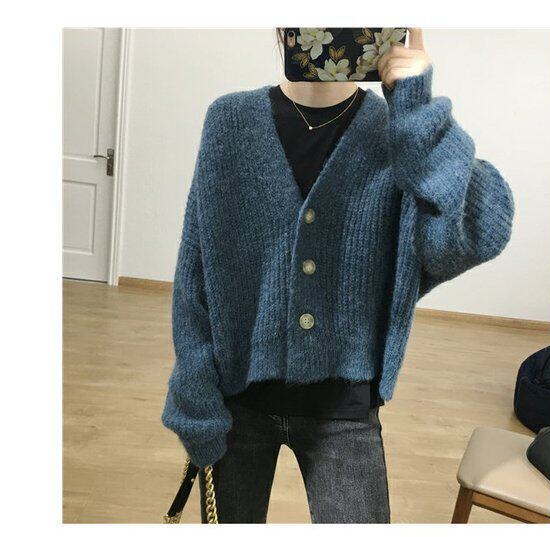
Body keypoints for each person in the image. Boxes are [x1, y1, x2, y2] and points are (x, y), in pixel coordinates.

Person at [162, 28, 514, 523]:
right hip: (236, 403)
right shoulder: (230, 121)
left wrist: (418, 110)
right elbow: (195, 270)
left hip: (345, 407)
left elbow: (479, 231)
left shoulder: (399, 131)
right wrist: (195, 394)